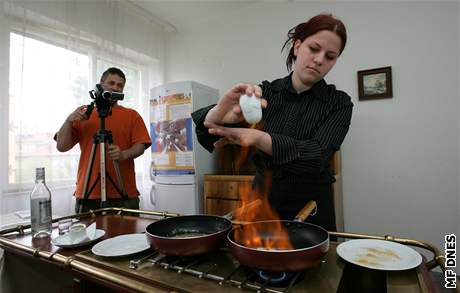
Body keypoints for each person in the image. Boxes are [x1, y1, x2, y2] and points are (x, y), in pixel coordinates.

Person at [191, 14, 353, 232]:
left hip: (312, 209)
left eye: (330, 56)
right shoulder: (265, 93)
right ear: (297, 46)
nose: (319, 60)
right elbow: (213, 134)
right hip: (263, 203)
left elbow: (316, 156)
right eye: (314, 49)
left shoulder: (339, 103)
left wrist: (259, 138)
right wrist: (218, 113)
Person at [55, 67, 151, 213]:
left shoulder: (132, 115)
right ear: (101, 84)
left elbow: (141, 145)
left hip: (123, 194)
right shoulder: (83, 113)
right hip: (88, 194)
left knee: (128, 236)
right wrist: (68, 121)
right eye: (111, 83)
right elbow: (61, 146)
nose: (115, 88)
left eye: (120, 86)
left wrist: (123, 154)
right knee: (89, 237)